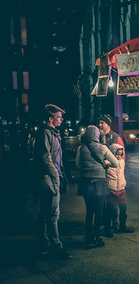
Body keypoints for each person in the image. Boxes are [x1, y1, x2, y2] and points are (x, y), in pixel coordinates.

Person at [33, 104, 71, 260]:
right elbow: (46, 157)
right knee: (53, 214)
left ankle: (43, 242)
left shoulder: (52, 132)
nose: (61, 119)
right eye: (59, 117)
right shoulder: (46, 133)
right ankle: (56, 246)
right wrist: (56, 175)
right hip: (49, 178)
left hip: (50, 177)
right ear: (50, 119)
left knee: (44, 212)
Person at [76, 125, 119, 247]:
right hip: (99, 183)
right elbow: (116, 163)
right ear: (97, 135)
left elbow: (78, 165)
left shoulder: (81, 148)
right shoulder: (102, 148)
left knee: (89, 211)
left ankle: (88, 237)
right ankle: (95, 236)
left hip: (85, 182)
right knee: (99, 211)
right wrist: (106, 163)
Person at [103, 143, 133, 238]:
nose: (119, 156)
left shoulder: (122, 162)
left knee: (123, 210)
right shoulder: (106, 163)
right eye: (117, 154)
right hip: (111, 189)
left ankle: (122, 226)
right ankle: (108, 229)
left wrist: (126, 183)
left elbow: (124, 173)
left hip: (121, 188)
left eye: (121, 154)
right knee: (110, 210)